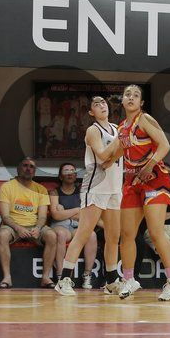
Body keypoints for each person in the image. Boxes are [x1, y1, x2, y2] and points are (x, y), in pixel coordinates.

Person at [105, 84, 170, 301]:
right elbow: (115, 153)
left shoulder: (145, 119)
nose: (131, 97)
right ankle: (129, 279)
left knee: (156, 231)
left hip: (154, 180)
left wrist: (149, 165)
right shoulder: (122, 127)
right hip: (132, 182)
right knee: (127, 234)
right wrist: (100, 160)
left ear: (141, 103)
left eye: (135, 95)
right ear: (122, 101)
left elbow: (165, 145)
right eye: (127, 94)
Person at [55, 96, 123, 296]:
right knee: (84, 233)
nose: (102, 105)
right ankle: (64, 280)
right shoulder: (93, 130)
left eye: (103, 103)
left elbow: (120, 155)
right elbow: (102, 156)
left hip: (115, 188)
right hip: (96, 187)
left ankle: (111, 281)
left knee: (113, 236)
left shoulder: (117, 128)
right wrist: (121, 140)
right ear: (91, 112)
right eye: (96, 104)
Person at [0, 157, 56, 289]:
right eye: (25, 165)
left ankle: (45, 277)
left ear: (35, 171)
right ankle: (7, 277)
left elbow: (42, 216)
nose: (28, 169)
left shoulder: (41, 189)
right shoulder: (7, 187)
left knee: (52, 235)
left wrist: (38, 228)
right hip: (13, 225)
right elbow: (5, 216)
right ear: (18, 169)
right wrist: (18, 228)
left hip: (34, 225)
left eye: (32, 166)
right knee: (2, 235)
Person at [49, 163, 96, 291]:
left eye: (72, 171)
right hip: (61, 225)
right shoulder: (54, 192)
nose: (70, 173)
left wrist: (65, 212)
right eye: (66, 171)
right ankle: (61, 276)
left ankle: (87, 275)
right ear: (60, 176)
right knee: (61, 235)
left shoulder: (82, 191)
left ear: (76, 175)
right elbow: (56, 215)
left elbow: (86, 213)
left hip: (77, 226)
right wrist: (76, 210)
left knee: (91, 235)